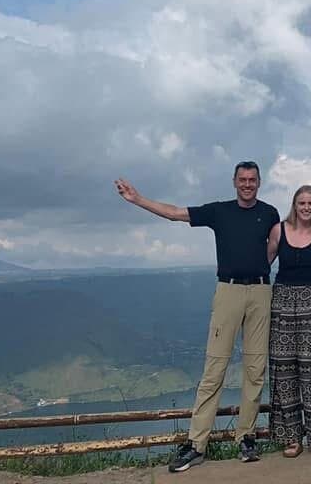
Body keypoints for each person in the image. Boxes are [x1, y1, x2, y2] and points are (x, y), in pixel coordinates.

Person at [114, 161, 279, 471]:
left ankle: (246, 438)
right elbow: (176, 213)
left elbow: (273, 246)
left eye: (252, 180)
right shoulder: (219, 211)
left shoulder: (269, 213)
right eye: (242, 179)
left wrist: (260, 268)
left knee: (256, 369)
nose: (247, 184)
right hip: (228, 291)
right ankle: (196, 444)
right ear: (234, 182)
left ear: (259, 182)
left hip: (260, 292)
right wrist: (138, 199)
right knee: (214, 368)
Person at [266, 185, 311, 457]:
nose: (306, 207)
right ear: (294, 204)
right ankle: (291, 438)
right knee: (284, 370)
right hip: (281, 301)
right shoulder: (278, 230)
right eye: (302, 202)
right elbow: (263, 263)